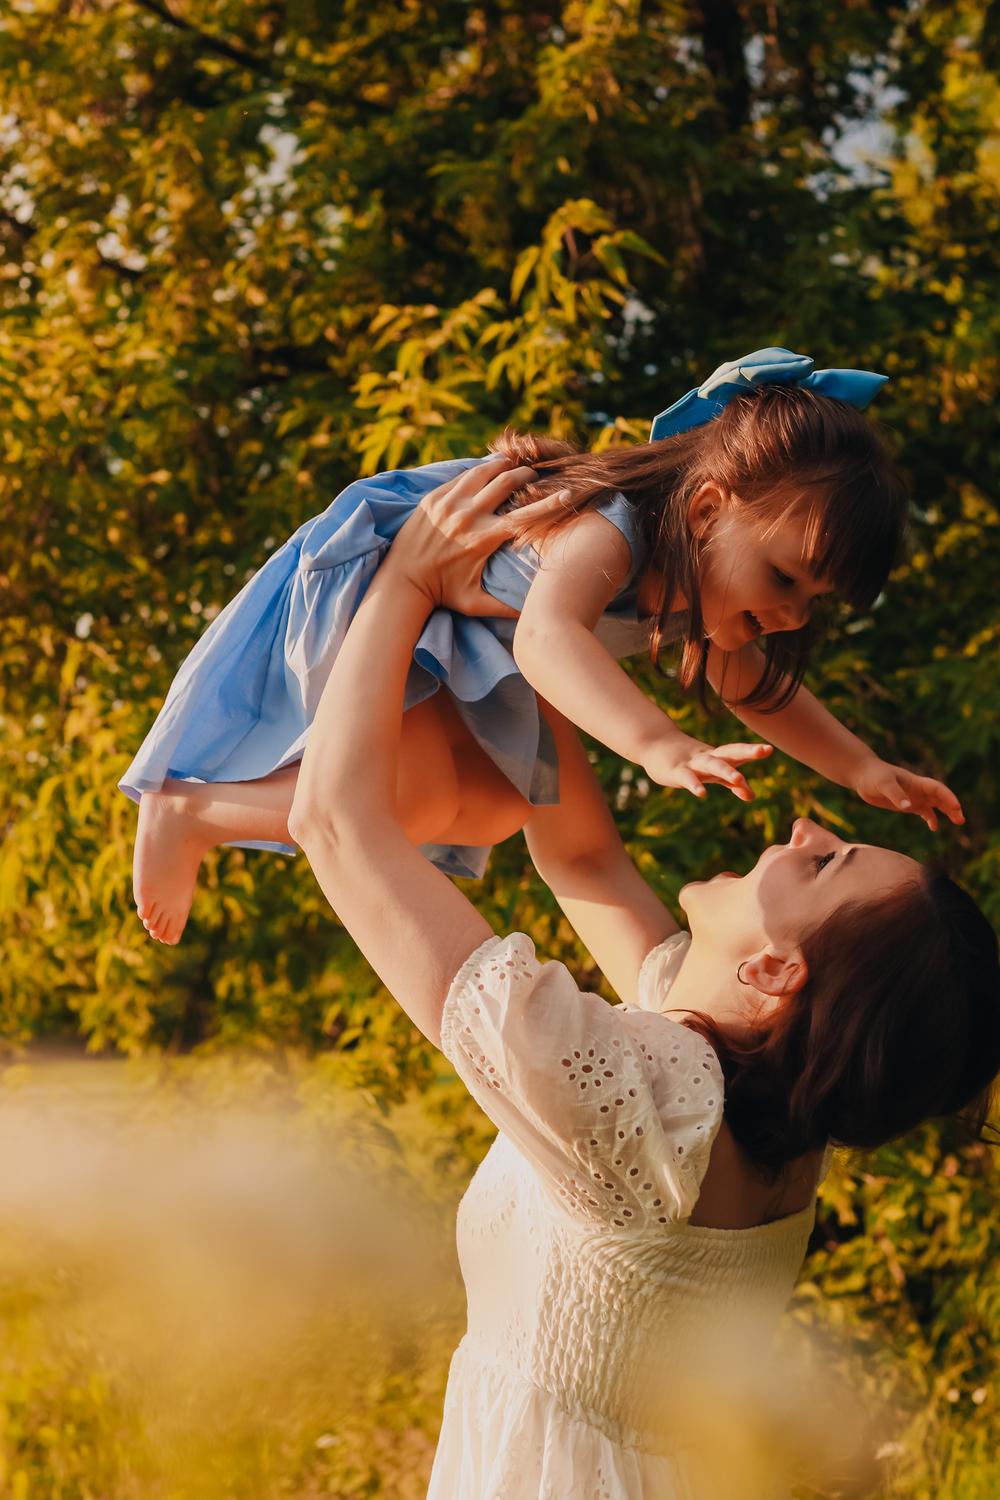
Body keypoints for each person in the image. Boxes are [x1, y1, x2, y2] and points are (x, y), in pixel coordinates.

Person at [284, 460, 999, 1499]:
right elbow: (579, 856)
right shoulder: (732, 1099)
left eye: (824, 862)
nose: (804, 825)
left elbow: (335, 824)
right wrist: (535, 615)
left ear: (772, 969)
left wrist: (405, 581)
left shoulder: (642, 1105)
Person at [121, 348, 963, 944]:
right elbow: (548, 639)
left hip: (452, 642)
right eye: (785, 579)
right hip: (389, 597)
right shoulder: (611, 534)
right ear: (706, 511)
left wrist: (862, 770)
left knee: (494, 805)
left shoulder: (695, 592)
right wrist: (657, 744)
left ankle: (203, 815)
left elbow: (756, 692)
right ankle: (188, 811)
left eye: (814, 603)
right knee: (397, 794)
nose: (791, 617)